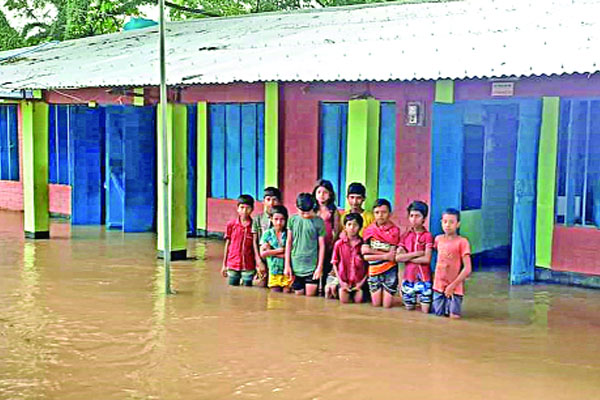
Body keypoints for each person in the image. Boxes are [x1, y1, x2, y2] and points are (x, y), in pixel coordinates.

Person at [432, 208, 472, 319]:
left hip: (455, 286)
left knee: (454, 317)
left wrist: (453, 286)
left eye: (451, 222)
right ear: (441, 223)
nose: (447, 225)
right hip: (438, 285)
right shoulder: (438, 239)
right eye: (445, 222)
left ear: (458, 224)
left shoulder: (462, 242)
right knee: (437, 316)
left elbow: (468, 268)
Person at [284, 193, 326, 296]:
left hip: (312, 266)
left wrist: (319, 267)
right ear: (296, 207)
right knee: (298, 300)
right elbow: (289, 242)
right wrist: (287, 265)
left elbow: (322, 246)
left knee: (310, 299)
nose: (305, 215)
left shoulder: (319, 222)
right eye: (302, 212)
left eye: (308, 212)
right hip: (295, 265)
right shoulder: (292, 220)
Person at [362, 199, 401, 308]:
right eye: (377, 212)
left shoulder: (395, 231)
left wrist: (373, 252)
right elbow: (365, 253)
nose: (380, 215)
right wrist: (384, 255)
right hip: (374, 270)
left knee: (387, 306)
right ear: (373, 214)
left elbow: (392, 255)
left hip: (390, 270)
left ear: (390, 214)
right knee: (376, 304)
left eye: (384, 212)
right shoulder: (369, 230)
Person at [396, 201, 434, 313]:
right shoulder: (405, 236)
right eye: (411, 216)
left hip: (425, 279)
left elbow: (427, 259)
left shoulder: (428, 236)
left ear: (424, 218)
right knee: (409, 310)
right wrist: (417, 253)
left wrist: (407, 257)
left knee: (425, 310)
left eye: (417, 216)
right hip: (408, 279)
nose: (414, 219)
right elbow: (398, 258)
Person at [312, 179, 341, 295]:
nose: (322, 195)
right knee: (314, 268)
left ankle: (323, 289)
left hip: (328, 244)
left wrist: (332, 244)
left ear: (330, 195)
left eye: (325, 192)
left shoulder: (333, 211)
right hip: (313, 245)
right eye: (319, 192)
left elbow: (337, 230)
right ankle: (313, 289)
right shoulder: (312, 210)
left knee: (325, 267)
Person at [331, 213, 367, 304]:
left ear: (360, 227)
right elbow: (335, 264)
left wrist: (361, 284)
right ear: (345, 227)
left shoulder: (364, 245)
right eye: (349, 224)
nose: (352, 228)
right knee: (344, 301)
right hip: (343, 281)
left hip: (359, 282)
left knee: (358, 301)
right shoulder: (339, 244)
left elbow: (368, 267)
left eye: (355, 225)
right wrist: (341, 283)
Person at [221, 194, 257, 286]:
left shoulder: (254, 226)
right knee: (233, 287)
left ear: (252, 209)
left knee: (247, 288)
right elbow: (228, 244)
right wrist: (224, 265)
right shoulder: (231, 225)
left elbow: (255, 246)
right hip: (233, 263)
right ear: (237, 209)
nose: (244, 211)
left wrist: (257, 265)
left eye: (248, 208)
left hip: (249, 265)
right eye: (242, 207)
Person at [252, 187, 282, 287]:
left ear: (279, 202)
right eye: (268, 199)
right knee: (260, 285)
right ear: (263, 201)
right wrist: (259, 261)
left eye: (274, 199)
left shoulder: (282, 219)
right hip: (263, 258)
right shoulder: (257, 219)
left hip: (278, 260)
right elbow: (254, 242)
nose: (271, 203)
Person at [259, 205, 292, 292]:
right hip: (273, 271)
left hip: (287, 271)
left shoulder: (289, 233)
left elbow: (292, 253)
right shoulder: (268, 234)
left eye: (282, 219)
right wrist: (279, 251)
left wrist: (271, 252)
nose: (279, 222)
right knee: (274, 297)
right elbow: (262, 253)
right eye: (276, 219)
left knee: (287, 294)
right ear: (271, 219)